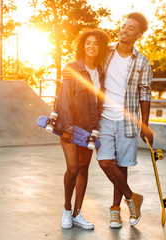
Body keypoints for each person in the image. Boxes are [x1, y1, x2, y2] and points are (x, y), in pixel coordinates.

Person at [96, 12, 153, 228]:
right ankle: (132, 198)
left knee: (121, 167)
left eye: (130, 28)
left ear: (138, 34)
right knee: (105, 162)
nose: (124, 30)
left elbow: (145, 94)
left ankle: (115, 209)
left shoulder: (143, 62)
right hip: (103, 119)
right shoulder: (105, 53)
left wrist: (145, 125)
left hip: (127, 121)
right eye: (123, 26)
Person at [55, 29, 110, 230]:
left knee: (84, 170)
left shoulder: (102, 72)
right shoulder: (72, 68)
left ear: (101, 47)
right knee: (72, 169)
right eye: (88, 43)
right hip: (70, 128)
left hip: (89, 130)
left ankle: (78, 213)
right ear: (82, 45)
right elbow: (63, 100)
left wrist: (95, 129)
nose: (91, 46)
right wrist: (67, 127)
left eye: (96, 43)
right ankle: (67, 210)